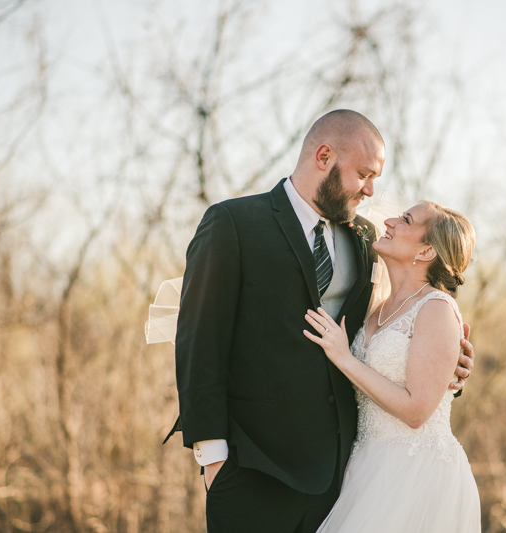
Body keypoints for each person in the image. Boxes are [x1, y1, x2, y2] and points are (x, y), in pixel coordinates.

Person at [172, 109, 475, 532]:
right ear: (324, 156)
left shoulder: (366, 240)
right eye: (364, 174)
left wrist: (450, 369)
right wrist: (213, 460)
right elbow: (198, 344)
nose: (371, 191)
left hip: (342, 481)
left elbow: (405, 333)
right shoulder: (234, 224)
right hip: (252, 472)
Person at [305, 201, 481, 532]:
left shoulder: (436, 309)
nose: (388, 221)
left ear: (426, 251)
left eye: (405, 220)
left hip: (416, 476)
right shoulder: (378, 307)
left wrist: (344, 357)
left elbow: (417, 410)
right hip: (365, 465)